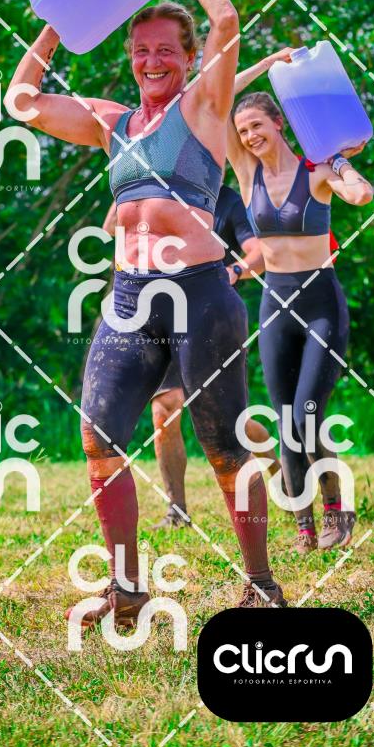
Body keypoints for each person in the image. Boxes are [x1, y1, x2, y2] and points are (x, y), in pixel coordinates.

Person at [6, 0, 286, 614]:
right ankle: (127, 587)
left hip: (200, 295)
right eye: (140, 50)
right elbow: (22, 101)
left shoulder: (205, 107)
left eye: (165, 49)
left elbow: (226, 21)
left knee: (224, 448)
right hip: (130, 297)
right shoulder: (113, 122)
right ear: (129, 58)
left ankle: (260, 582)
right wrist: (60, 17)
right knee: (98, 435)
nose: (152, 60)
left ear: (188, 59)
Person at [227, 49, 374, 554]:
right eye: (242, 130)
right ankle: (304, 527)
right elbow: (214, 95)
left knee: (307, 415)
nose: (249, 136)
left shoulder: (316, 172)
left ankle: (337, 509)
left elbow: (361, 196)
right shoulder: (246, 173)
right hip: (275, 302)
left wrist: (340, 164)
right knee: (284, 418)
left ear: (279, 123)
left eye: (257, 125)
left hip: (320, 302)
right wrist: (268, 61)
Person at [103, 189, 281, 530]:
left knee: (230, 421)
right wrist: (127, 175)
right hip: (155, 314)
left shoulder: (226, 201)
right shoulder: (147, 193)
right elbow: (111, 228)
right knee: (164, 410)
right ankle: (177, 510)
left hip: (207, 318)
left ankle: (282, 477)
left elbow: (259, 252)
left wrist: (235, 270)